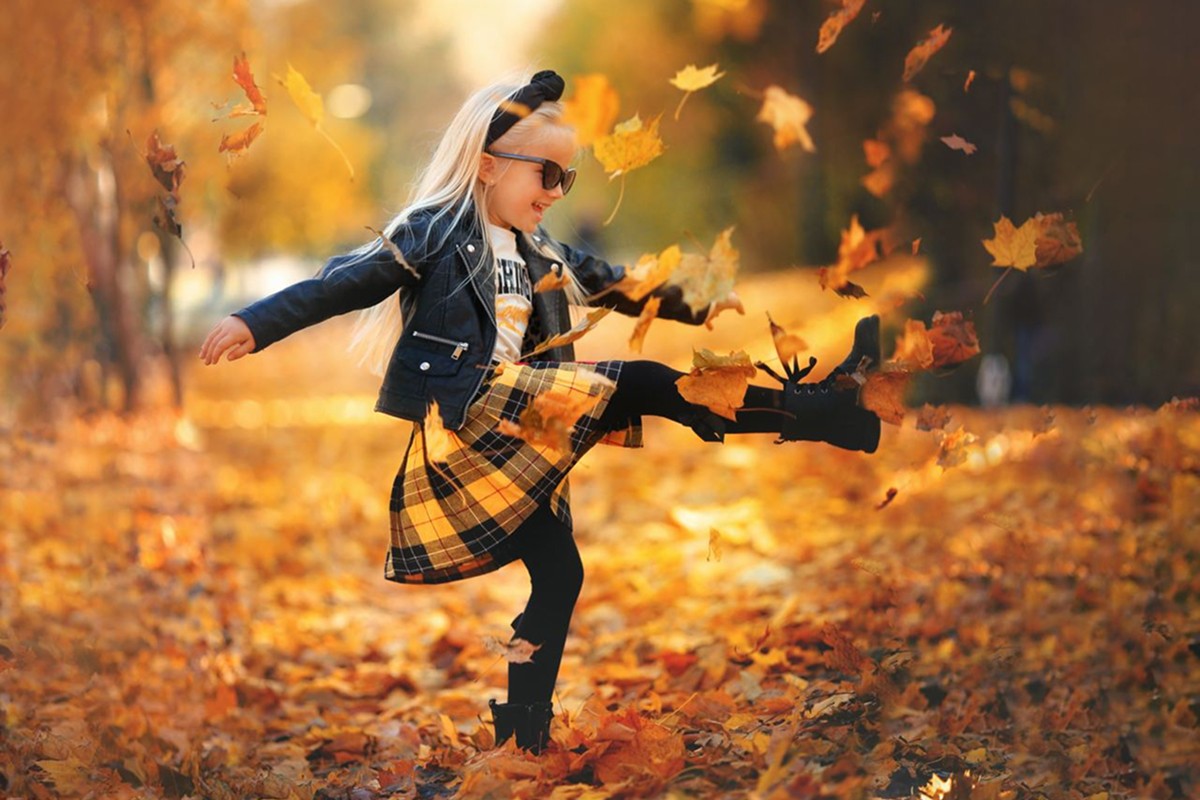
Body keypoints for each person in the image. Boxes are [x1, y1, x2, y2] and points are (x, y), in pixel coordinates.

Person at [199, 70, 882, 755]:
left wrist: (705, 298)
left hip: (524, 422)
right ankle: (822, 408)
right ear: (488, 166)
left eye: (568, 180)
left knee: (561, 575)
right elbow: (342, 282)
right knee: (641, 380)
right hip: (472, 418)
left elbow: (624, 285)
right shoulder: (435, 231)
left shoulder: (541, 250)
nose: (556, 194)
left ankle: (523, 744)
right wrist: (256, 323)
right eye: (547, 175)